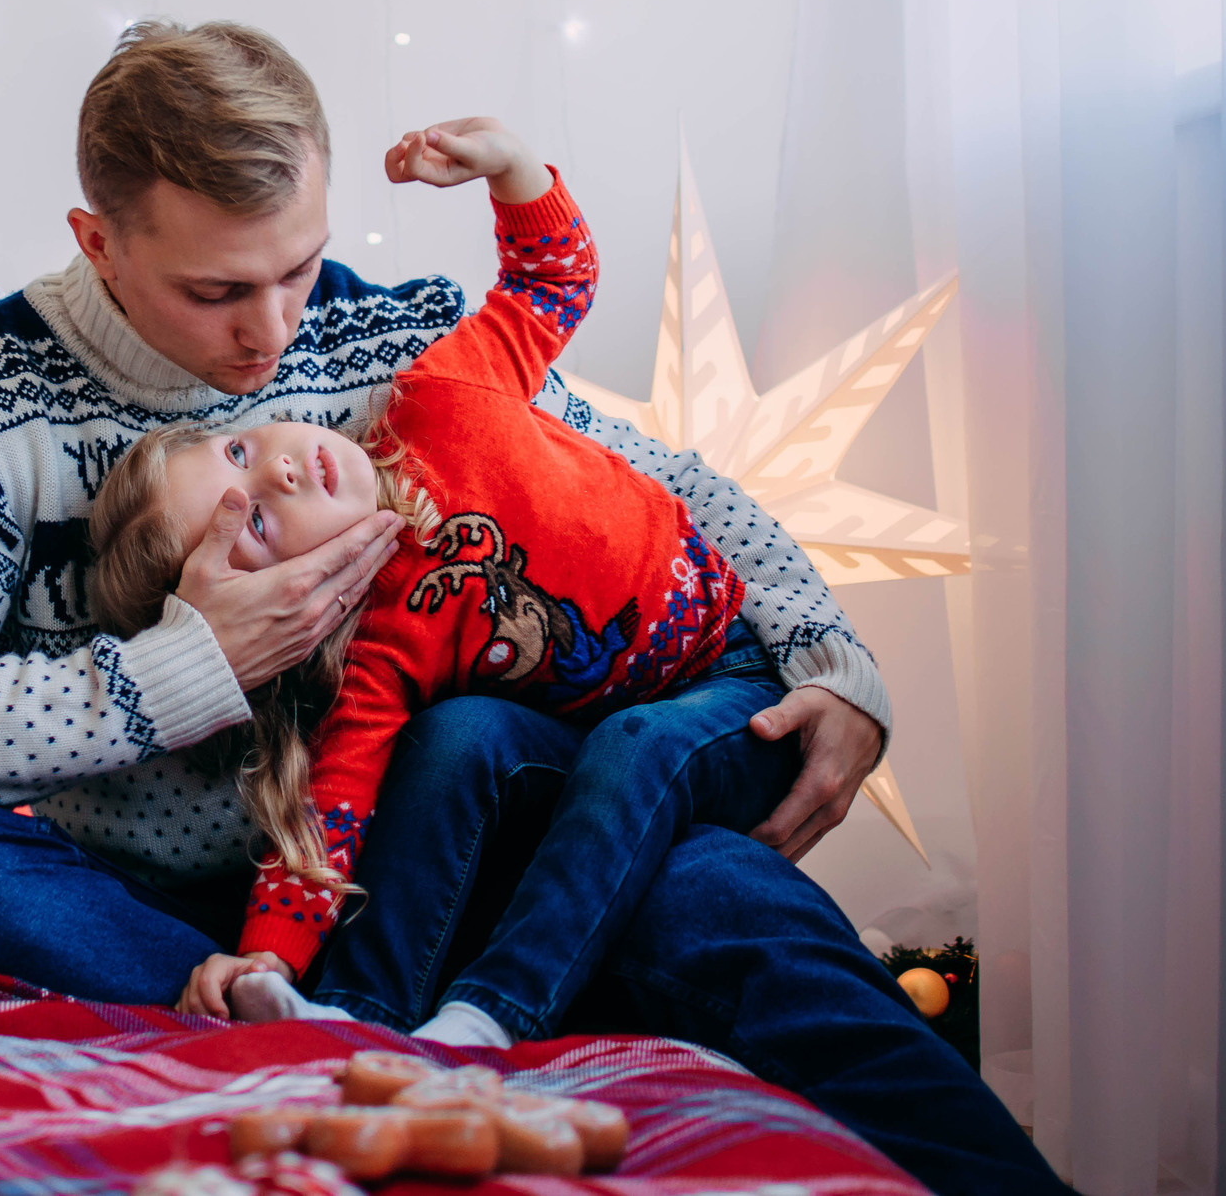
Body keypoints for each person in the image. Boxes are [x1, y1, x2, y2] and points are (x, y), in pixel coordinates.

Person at [0, 20, 1063, 1193]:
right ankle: (311, 1029)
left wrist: (829, 657)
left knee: (708, 884)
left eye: (295, 266)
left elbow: (656, 484)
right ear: (97, 242)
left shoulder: (389, 338)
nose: (272, 332)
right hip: (148, 907)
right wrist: (188, 668)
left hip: (432, 857)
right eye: (215, 293)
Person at [87, 116, 795, 1050]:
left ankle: (491, 1015)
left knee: (635, 745)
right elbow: (327, 816)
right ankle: (356, 1027)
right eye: (254, 519)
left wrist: (515, 170)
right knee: (464, 747)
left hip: (731, 676)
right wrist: (266, 959)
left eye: (242, 448)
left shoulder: (441, 392)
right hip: (579, 731)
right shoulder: (379, 652)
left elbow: (554, 283)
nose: (283, 472)